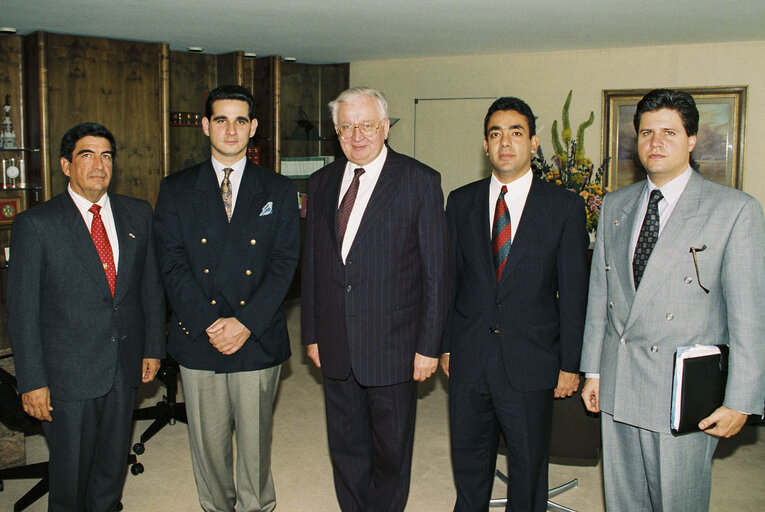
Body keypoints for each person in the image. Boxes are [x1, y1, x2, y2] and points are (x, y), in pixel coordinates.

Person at [580, 88, 765, 511]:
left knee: (678, 502)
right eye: (646, 133)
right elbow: (600, 297)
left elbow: (750, 318)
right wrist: (592, 369)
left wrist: (741, 399)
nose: (656, 142)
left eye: (669, 132)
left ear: (692, 140)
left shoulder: (733, 210)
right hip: (620, 378)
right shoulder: (616, 206)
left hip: (683, 392)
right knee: (623, 501)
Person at [301, 86, 449, 511]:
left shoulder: (419, 180)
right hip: (335, 342)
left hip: (395, 346)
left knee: (391, 453)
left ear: (385, 127)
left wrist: (428, 347)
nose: (357, 135)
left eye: (367, 125)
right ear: (335, 131)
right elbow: (313, 266)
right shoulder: (322, 182)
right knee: (345, 449)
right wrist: (311, 332)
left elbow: (437, 274)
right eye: (347, 126)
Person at [153, 84, 299, 512]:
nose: (230, 130)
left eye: (240, 120)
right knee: (208, 441)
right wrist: (211, 324)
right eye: (221, 119)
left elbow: (285, 263)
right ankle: (216, 507)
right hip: (200, 333)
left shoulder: (278, 189)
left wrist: (245, 323)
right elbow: (171, 264)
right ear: (205, 126)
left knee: (255, 441)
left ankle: (257, 507)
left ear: (253, 127)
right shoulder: (176, 188)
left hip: (256, 333)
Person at [440, 97, 589, 511]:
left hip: (532, 361)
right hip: (469, 356)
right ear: (485, 146)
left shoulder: (564, 207)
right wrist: (447, 344)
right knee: (469, 465)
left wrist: (569, 364)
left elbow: (575, 293)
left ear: (534, 143)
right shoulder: (461, 201)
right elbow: (450, 280)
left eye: (516, 132)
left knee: (527, 468)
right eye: (495, 133)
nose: (505, 142)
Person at [7, 122, 165, 511]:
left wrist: (152, 348)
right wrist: (32, 381)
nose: (99, 164)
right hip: (67, 374)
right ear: (65, 165)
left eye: (106, 155)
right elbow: (22, 309)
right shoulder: (36, 224)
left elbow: (150, 288)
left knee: (112, 467)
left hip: (123, 366)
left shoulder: (137, 213)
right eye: (87, 155)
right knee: (71, 475)